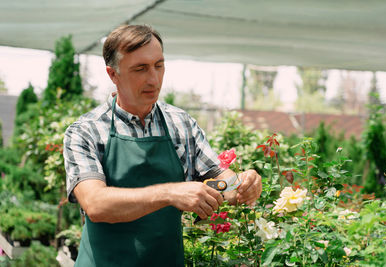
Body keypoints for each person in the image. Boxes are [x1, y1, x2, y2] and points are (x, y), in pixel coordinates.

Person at [63, 24, 262, 267]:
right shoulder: (87, 130)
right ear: (113, 74)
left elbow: (219, 178)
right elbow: (96, 204)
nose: (153, 79)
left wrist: (241, 185)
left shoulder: (181, 124)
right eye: (140, 69)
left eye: (159, 65)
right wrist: (170, 193)